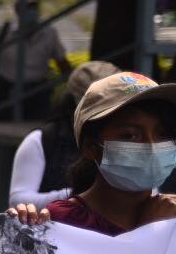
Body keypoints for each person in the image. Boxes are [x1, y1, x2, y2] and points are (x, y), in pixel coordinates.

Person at [39, 71, 176, 254]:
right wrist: (147, 233)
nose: (151, 146)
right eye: (130, 135)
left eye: (164, 134)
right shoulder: (58, 225)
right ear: (91, 147)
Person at [7, 60, 119, 208]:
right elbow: (18, 201)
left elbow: (147, 191)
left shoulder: (130, 142)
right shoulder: (42, 140)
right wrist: (78, 195)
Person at [0, 0, 72, 121]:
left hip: (38, 93)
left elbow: (62, 62)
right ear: (17, 9)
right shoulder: (5, 32)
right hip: (7, 92)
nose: (30, 11)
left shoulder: (49, 33)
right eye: (26, 7)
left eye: (33, 6)